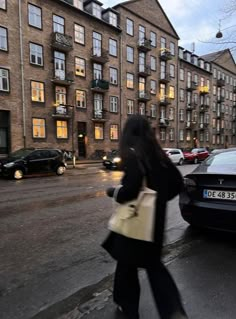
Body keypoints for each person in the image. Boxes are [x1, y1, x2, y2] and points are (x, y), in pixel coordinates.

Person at [102, 115, 188, 319]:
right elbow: (177, 183)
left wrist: (113, 192)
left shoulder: (133, 155)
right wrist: (157, 201)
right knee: (152, 267)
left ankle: (127, 308)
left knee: (126, 264)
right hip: (154, 225)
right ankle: (173, 311)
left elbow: (130, 191)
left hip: (136, 222)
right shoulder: (159, 156)